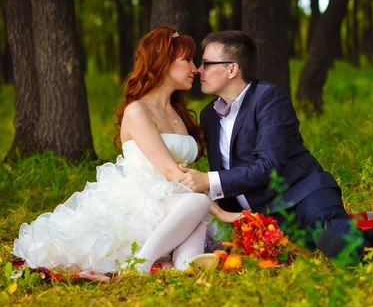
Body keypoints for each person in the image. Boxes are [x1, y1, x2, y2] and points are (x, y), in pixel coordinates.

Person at [13, 26, 239, 275]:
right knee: (197, 203)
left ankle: (183, 265)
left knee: (193, 208)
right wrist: (219, 211)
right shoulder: (137, 111)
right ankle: (139, 263)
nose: (195, 69)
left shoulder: (178, 113)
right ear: (163, 63)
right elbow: (170, 171)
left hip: (176, 200)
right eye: (186, 60)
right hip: (143, 198)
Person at [178, 30, 373, 262]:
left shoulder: (269, 99)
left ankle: (356, 248)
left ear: (232, 69)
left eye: (206, 63)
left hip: (301, 192)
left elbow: (269, 166)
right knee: (298, 247)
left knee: (330, 228)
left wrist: (209, 179)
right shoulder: (209, 115)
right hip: (263, 213)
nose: (198, 70)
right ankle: (368, 239)